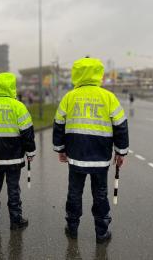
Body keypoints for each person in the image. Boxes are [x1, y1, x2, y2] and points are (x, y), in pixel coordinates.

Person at [52, 57, 129, 244]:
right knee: (100, 194)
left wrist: (60, 149)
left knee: (74, 193)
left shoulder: (69, 97)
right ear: (98, 73)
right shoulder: (108, 97)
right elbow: (121, 126)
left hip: (76, 157)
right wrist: (121, 152)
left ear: (76, 74)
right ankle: (101, 233)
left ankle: (72, 228)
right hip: (100, 159)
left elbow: (59, 125)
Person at [0, 72, 36, 230]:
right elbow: (27, 133)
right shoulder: (18, 106)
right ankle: (15, 220)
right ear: (11, 87)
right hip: (14, 159)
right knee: (13, 188)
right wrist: (30, 153)